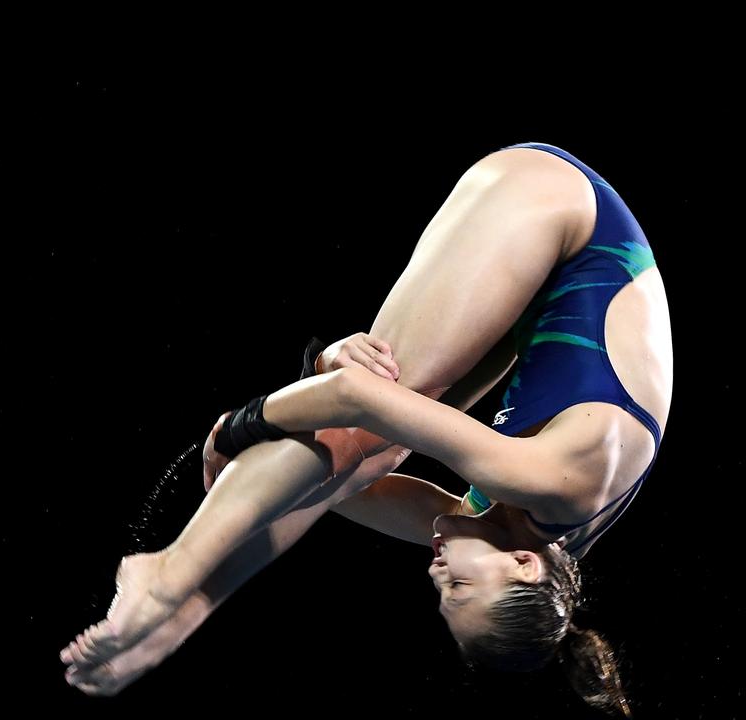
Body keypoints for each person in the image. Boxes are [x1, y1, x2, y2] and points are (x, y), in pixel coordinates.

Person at [59, 142, 672, 716]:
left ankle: (186, 608)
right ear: (522, 566)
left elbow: (342, 485)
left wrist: (311, 420)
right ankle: (167, 576)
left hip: (543, 295)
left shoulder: (518, 526)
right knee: (375, 422)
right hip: (561, 209)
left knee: (367, 452)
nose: (435, 575)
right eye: (457, 584)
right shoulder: (550, 483)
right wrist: (237, 429)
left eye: (443, 594)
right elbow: (355, 397)